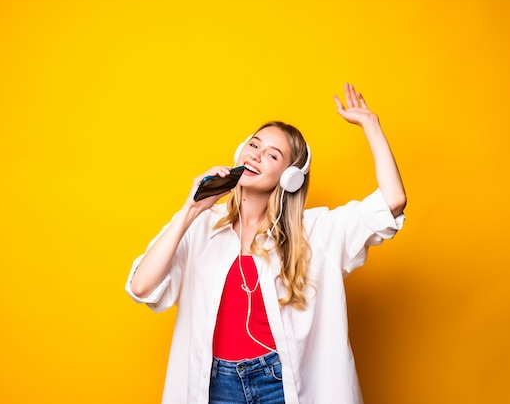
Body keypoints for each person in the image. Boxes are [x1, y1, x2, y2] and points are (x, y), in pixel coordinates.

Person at [125, 83, 406, 404]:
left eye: (272, 154)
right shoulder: (200, 225)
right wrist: (191, 208)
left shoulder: (317, 231)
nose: (255, 156)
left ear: (291, 177)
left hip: (281, 384)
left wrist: (370, 124)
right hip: (215, 384)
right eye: (253, 145)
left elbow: (393, 201)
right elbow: (142, 287)